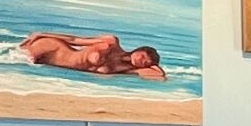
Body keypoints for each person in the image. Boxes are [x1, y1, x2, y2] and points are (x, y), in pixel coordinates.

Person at [21, 32, 167, 81]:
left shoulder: (123, 69)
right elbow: (75, 40)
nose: (141, 61)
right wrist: (40, 34)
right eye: (142, 56)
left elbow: (159, 75)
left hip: (51, 63)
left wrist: (153, 64)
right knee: (14, 58)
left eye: (145, 62)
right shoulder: (111, 42)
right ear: (138, 49)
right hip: (51, 48)